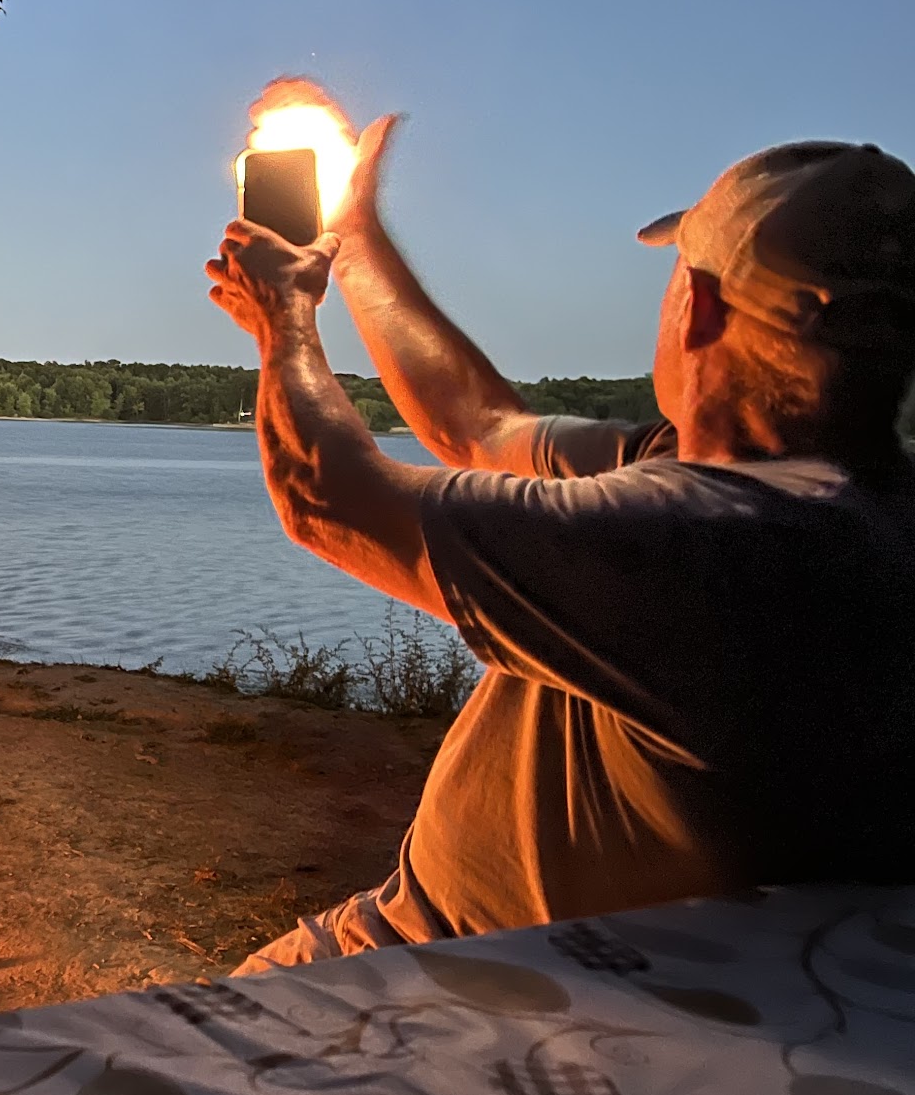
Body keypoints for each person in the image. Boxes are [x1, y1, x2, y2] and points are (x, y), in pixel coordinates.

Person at [205, 118, 915, 973]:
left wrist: (283, 323)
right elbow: (479, 426)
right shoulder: (831, 505)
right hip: (642, 966)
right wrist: (352, 242)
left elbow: (330, 500)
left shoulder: (708, 543)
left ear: (700, 307)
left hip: (471, 972)